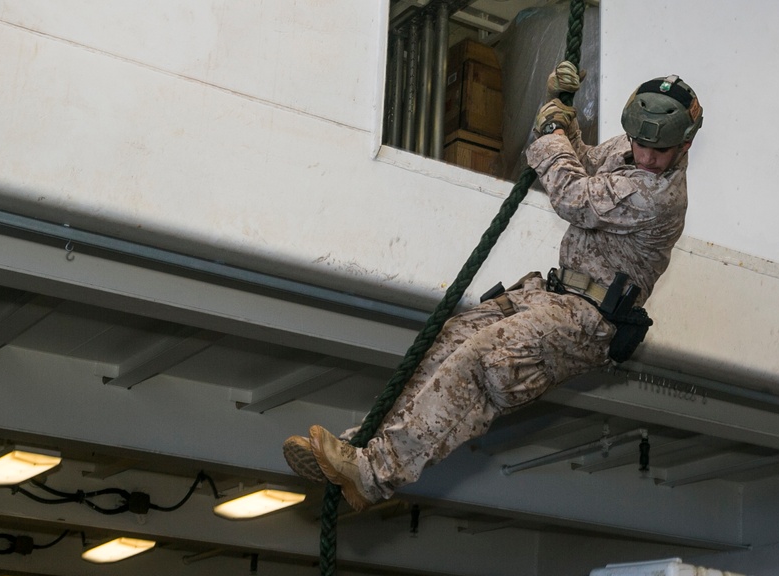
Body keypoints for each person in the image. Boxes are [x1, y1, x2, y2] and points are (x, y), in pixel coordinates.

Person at [283, 63, 703, 511]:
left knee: (483, 356)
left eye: (658, 150)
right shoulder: (632, 146)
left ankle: (374, 474)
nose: (645, 156)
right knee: (451, 339)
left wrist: (548, 135)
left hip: (589, 320)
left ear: (685, 143)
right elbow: (580, 163)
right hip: (554, 295)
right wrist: (564, 116)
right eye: (639, 143)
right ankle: (361, 446)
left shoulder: (660, 196)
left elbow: (573, 197)